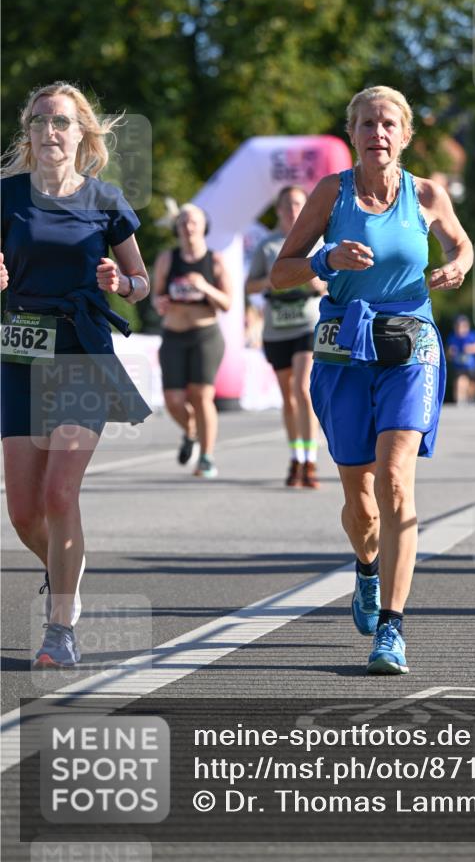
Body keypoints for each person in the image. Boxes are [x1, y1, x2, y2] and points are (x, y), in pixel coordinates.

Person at [270, 85, 473, 674]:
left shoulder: (427, 194)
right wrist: (324, 262)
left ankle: (392, 627)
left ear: (405, 136)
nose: (377, 135)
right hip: (344, 348)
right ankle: (365, 567)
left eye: (388, 125)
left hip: (412, 343)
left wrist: (458, 263)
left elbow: (460, 244)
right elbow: (281, 272)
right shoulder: (331, 194)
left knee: (396, 480)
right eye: (366, 125)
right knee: (361, 500)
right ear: (352, 134)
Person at [1, 81, 151, 668]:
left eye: (61, 122)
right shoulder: (6, 196)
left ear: (81, 132)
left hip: (80, 351)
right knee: (22, 512)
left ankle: (59, 627)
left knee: (60, 491)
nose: (50, 132)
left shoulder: (104, 201)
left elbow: (142, 285)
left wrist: (122, 283)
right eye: (39, 122)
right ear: (28, 134)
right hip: (18, 353)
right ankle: (67, 568)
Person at [246, 186, 326, 488]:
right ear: (279, 210)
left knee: (302, 389)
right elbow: (249, 286)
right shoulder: (268, 246)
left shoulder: (316, 243)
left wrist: (315, 281)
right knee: (288, 398)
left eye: (298, 204)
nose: (293, 210)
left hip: (307, 324)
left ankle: (311, 461)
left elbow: (332, 283)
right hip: (276, 328)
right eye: (288, 205)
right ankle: (296, 457)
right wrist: (276, 278)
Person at [152, 204, 232, 478]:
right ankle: (191, 431)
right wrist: (159, 302)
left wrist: (205, 286)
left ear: (203, 227)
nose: (188, 227)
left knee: (201, 396)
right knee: (173, 400)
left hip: (205, 335)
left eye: (193, 222)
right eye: (183, 221)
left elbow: (227, 303)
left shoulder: (215, 260)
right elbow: (157, 295)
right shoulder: (167, 259)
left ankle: (206, 457)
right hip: (173, 334)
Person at [445, 314, 475, 405]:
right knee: (460, 380)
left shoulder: (473, 335)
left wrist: (472, 348)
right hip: (458, 365)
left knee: (472, 384)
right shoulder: (452, 337)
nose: (460, 329)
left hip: (471, 365)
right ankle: (460, 400)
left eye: (463, 326)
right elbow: (447, 352)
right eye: (458, 326)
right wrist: (450, 352)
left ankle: (471, 399)